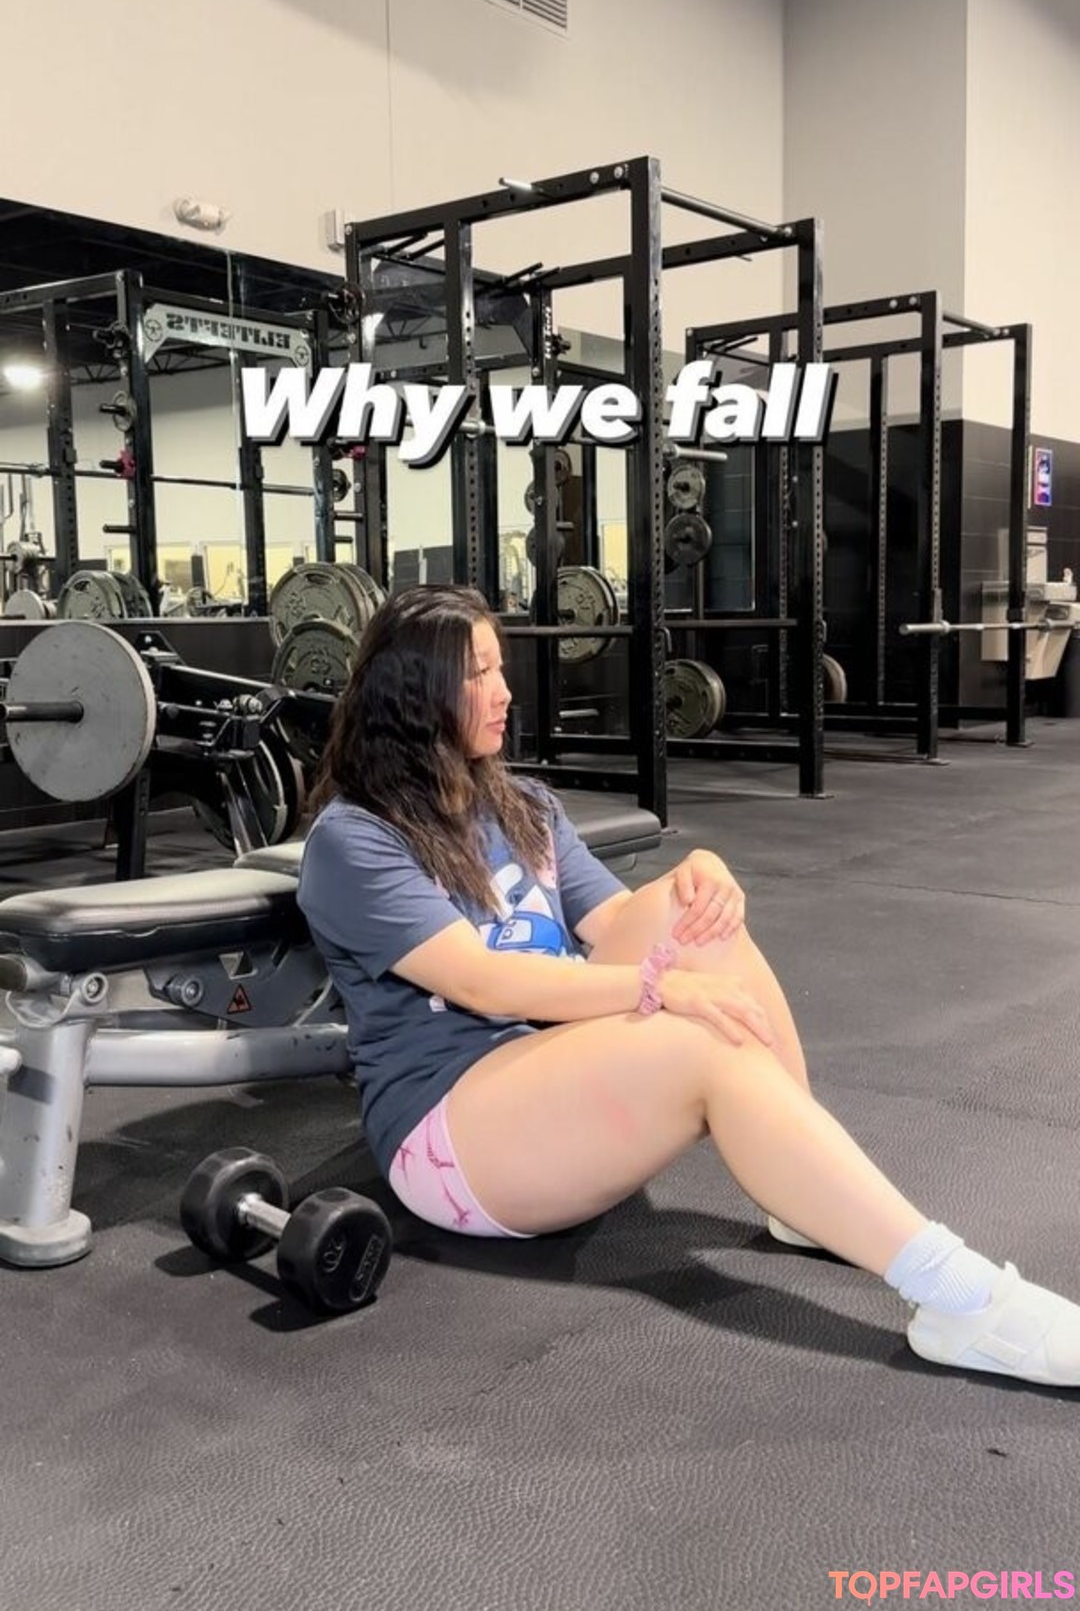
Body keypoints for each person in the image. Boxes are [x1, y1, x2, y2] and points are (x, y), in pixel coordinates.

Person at [297, 584, 1080, 1388]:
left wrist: (701, 872)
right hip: (452, 1131)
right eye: (478, 674)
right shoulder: (356, 839)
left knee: (696, 913)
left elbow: (617, 919)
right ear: (416, 695)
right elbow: (486, 982)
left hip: (549, 1075)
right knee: (699, 1041)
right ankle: (959, 1298)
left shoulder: (520, 803)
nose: (503, 692)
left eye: (500, 668)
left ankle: (800, 1198)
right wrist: (659, 991)